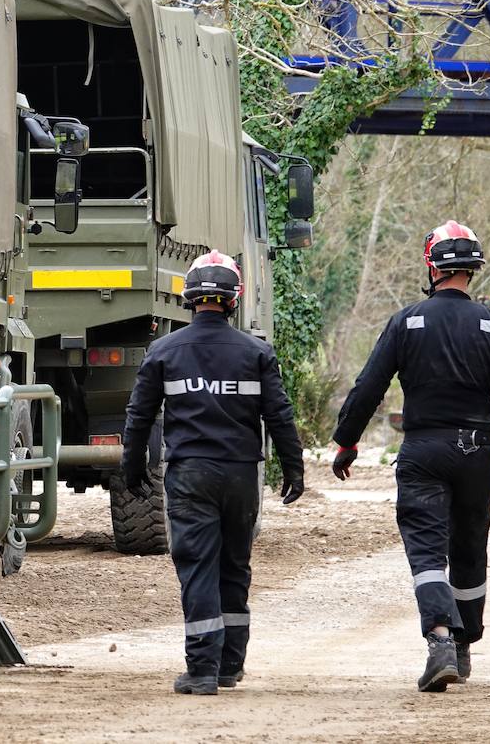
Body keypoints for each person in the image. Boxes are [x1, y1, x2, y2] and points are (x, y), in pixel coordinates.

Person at [331, 220, 490, 693]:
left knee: (428, 552)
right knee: (470, 550)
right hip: (476, 451)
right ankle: (465, 647)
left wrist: (346, 441)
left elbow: (368, 387)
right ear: (472, 269)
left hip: (423, 450)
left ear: (431, 265)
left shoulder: (406, 321)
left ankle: (440, 641)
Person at [123, 249, 305, 696]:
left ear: (189, 298)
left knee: (198, 566)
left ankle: (202, 669)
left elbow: (138, 416)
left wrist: (132, 467)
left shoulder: (164, 351)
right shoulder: (256, 352)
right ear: (234, 299)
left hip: (190, 476)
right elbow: (279, 416)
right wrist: (294, 470)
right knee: (234, 565)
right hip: (242, 476)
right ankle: (229, 666)